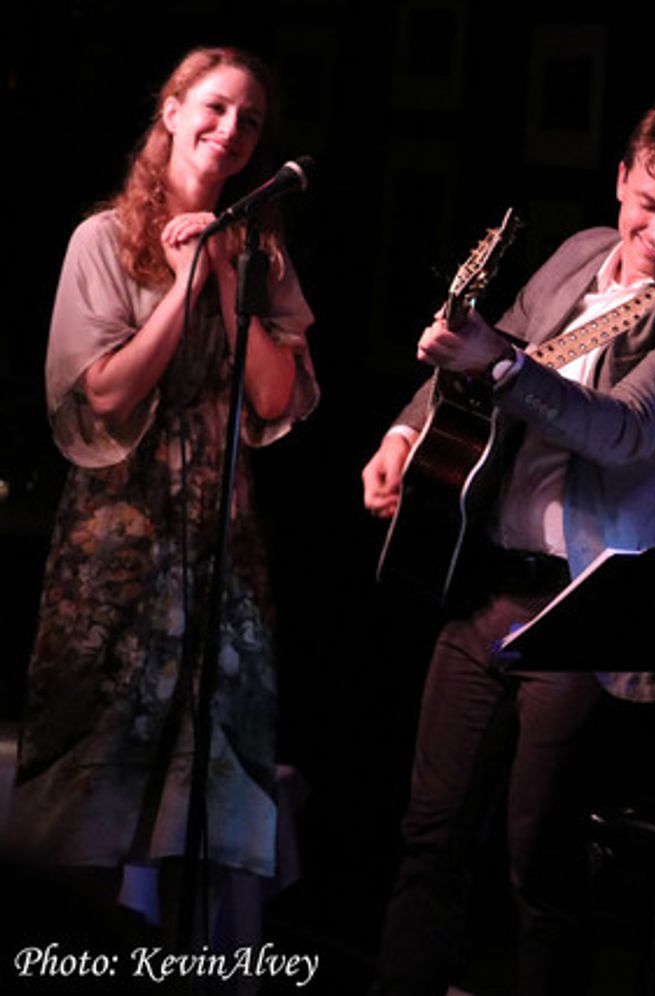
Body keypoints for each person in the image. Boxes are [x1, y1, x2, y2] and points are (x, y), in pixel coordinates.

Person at [361, 97, 655, 995]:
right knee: (430, 838)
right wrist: (404, 432)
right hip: (488, 590)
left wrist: (503, 366)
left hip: (591, 614)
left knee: (541, 864)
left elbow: (619, 430)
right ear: (621, 179)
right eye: (647, 203)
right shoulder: (581, 252)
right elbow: (474, 353)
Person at [5, 46, 317, 919]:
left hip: (220, 538)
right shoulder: (103, 240)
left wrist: (225, 276)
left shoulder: (260, 252)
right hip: (121, 539)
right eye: (215, 107)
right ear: (172, 110)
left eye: (250, 118)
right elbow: (105, 395)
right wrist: (184, 285)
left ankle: (187, 969)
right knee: (89, 801)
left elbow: (277, 397)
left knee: (207, 807)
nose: (231, 129)